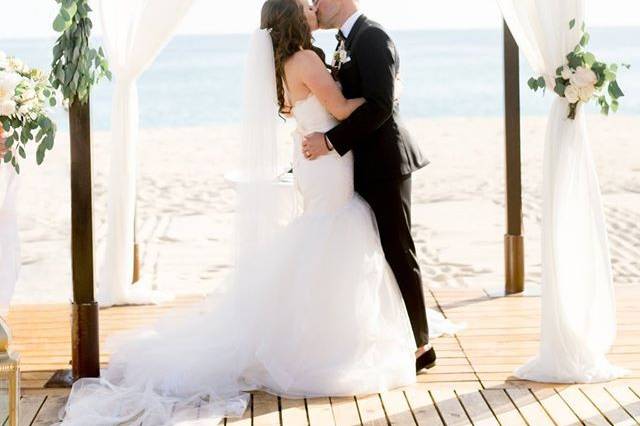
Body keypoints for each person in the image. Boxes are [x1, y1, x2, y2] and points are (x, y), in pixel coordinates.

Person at [59, 1, 454, 424]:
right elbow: (345, 108)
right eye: (306, 4)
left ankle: (397, 340)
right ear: (293, 17)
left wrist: (366, 110)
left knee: (374, 247)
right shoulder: (308, 58)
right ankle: (390, 342)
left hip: (349, 163)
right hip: (333, 165)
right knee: (346, 243)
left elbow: (324, 108)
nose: (313, 6)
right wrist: (381, 101)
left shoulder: (316, 53)